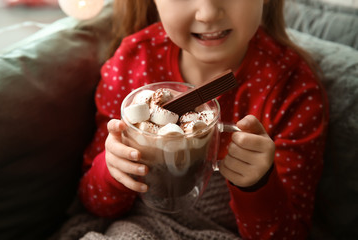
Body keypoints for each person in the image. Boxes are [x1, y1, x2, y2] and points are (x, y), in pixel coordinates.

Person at [78, 0, 329, 239]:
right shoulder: (133, 62)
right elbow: (93, 203)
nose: (207, 13)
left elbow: (290, 234)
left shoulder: (292, 90)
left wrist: (258, 185)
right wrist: (114, 170)